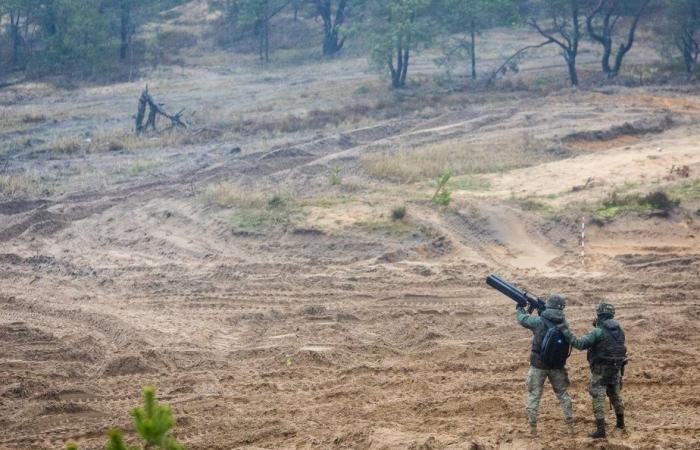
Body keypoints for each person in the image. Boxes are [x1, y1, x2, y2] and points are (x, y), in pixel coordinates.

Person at [558, 303, 627, 439]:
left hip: (601, 370)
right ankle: (620, 423)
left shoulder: (598, 331)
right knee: (616, 396)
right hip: (615, 368)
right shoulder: (620, 330)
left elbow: (580, 344)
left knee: (598, 398)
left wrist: (565, 330)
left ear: (600, 315)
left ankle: (600, 430)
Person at [516, 294, 574, 436]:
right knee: (563, 395)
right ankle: (570, 426)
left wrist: (520, 309)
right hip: (557, 366)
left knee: (534, 395)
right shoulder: (564, 323)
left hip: (538, 365)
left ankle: (533, 429)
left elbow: (523, 320)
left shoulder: (539, 321)